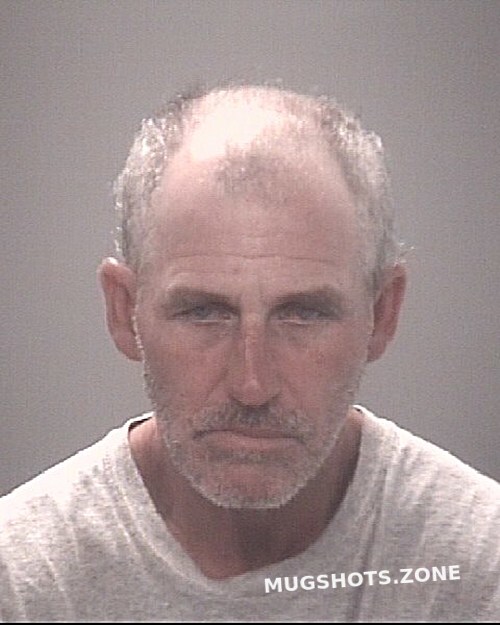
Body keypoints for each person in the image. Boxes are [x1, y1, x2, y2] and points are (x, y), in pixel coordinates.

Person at [1, 83, 499, 623]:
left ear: (382, 313)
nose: (252, 385)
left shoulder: (481, 568)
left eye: (303, 314)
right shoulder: (23, 580)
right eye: (203, 312)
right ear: (125, 311)